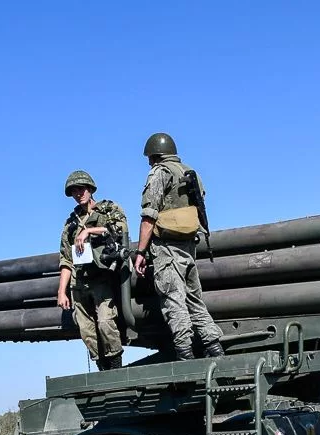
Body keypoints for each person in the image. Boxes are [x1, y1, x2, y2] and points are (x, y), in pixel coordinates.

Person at [132, 132, 224, 360]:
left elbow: (149, 217)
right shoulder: (190, 172)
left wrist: (141, 252)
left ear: (155, 155)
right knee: (195, 300)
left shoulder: (159, 173)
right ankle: (214, 348)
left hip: (167, 248)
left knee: (174, 300)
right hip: (189, 247)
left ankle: (185, 356)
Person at [57, 170, 128, 370]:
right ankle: (102, 369)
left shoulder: (108, 210)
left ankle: (115, 369)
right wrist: (62, 291)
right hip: (79, 282)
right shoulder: (70, 224)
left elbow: (120, 231)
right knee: (86, 331)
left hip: (102, 278)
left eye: (81, 189)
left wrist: (89, 230)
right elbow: (66, 259)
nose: (78, 194)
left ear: (90, 189)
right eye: (74, 191)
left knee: (106, 323)